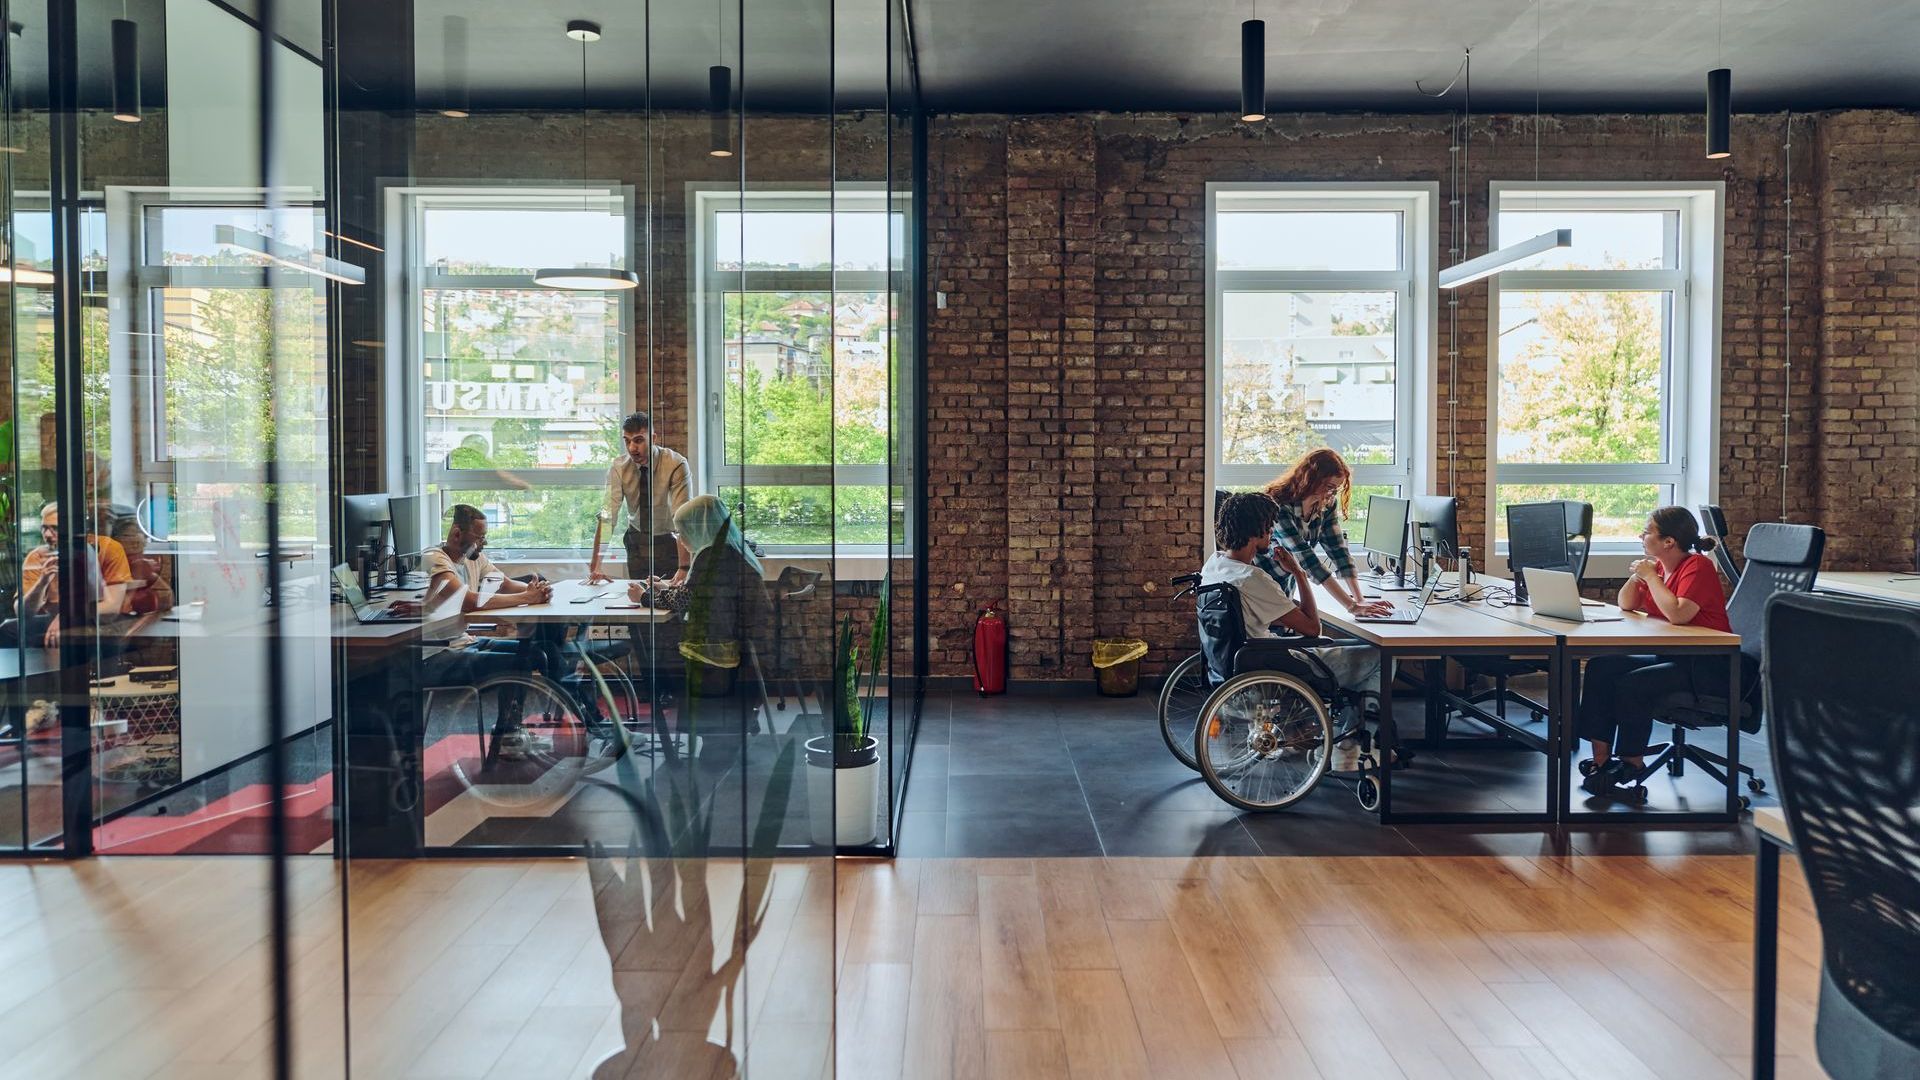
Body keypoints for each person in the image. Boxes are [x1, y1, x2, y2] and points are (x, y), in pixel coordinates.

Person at [1574, 506, 1732, 796]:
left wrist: (1651, 578)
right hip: (1673, 656)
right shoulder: (1659, 568)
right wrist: (1640, 577)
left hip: (1707, 666)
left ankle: (1632, 762)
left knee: (1635, 683)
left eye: (1647, 531)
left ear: (1668, 542)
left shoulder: (1698, 567)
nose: (1641, 535)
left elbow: (1678, 614)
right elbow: (1626, 603)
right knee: (1601, 666)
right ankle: (1601, 760)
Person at [1201, 492, 1381, 700]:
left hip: (1234, 663)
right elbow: (1313, 629)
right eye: (1269, 527)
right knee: (1379, 655)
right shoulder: (1254, 578)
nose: (1271, 531)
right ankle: (1366, 727)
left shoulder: (1214, 565)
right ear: (1257, 530)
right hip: (1276, 663)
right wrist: (1299, 573)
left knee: (1352, 646)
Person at [630, 495, 774, 694]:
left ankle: (664, 696)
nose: (679, 539)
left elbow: (683, 601)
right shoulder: (729, 549)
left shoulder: (710, 556)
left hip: (718, 640)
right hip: (740, 634)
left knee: (659, 648)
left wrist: (643, 597)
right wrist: (664, 587)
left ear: (699, 528)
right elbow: (697, 593)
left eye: (681, 532)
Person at [1262, 449, 1393, 618]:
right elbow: (1307, 559)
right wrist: (1351, 606)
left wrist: (1360, 600)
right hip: (1263, 582)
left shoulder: (1326, 504)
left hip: (1286, 583)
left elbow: (1339, 552)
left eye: (1336, 489)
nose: (1331, 493)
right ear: (1311, 479)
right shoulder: (1279, 504)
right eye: (1329, 487)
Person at [588, 412, 693, 587]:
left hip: (669, 542)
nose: (631, 448)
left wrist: (684, 566)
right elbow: (608, 517)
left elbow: (681, 518)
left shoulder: (676, 464)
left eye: (638, 440)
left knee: (671, 602)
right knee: (639, 599)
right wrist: (595, 567)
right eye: (627, 441)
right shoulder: (619, 467)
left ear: (653, 438)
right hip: (636, 541)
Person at [8, 501, 132, 648]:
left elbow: (112, 606)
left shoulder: (107, 548)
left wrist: (66, 617)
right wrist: (42, 582)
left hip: (100, 618)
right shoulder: (37, 557)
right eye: (44, 528)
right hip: (56, 617)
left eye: (54, 528)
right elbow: (22, 613)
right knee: (8, 629)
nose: (47, 534)